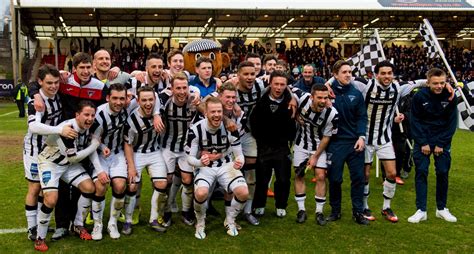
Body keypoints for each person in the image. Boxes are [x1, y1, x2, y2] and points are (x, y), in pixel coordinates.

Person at [29, 52, 108, 241]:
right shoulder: (64, 82)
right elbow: (38, 83)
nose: (86, 71)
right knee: (62, 188)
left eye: (89, 67)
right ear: (74, 69)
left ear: (94, 67)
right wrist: (34, 95)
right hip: (63, 137)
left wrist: (99, 141)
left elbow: (108, 105)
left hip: (85, 140)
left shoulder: (99, 86)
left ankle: (77, 222)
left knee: (84, 185)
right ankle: (62, 225)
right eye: (82, 67)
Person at [34, 101, 102, 251]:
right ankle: (40, 237)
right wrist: (94, 146)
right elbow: (74, 158)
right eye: (86, 114)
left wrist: (100, 148)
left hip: (67, 164)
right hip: (50, 163)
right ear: (77, 115)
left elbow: (80, 155)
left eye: (92, 115)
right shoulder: (68, 129)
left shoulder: (89, 127)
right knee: (51, 200)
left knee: (89, 188)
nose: (90, 118)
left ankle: (77, 225)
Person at [23, 64, 77, 241]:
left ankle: (39, 224)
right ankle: (31, 227)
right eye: (48, 83)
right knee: (35, 187)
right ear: (40, 82)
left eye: (56, 82)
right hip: (34, 149)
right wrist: (58, 130)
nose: (53, 86)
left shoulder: (58, 97)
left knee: (45, 189)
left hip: (51, 149)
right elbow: (33, 126)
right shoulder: (35, 102)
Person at [186, 97, 248, 239]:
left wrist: (239, 162)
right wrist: (201, 162)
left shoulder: (231, 128)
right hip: (205, 167)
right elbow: (189, 158)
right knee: (201, 193)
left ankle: (230, 219)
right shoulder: (195, 129)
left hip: (226, 165)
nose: (216, 115)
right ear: (206, 113)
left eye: (219, 111)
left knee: (243, 192)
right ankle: (200, 222)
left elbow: (239, 155)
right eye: (212, 111)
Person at [408, 68, 458, 223]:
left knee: (443, 173)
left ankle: (441, 209)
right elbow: (414, 120)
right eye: (435, 83)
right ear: (428, 82)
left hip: (442, 141)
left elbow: (452, 122)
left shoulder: (450, 96)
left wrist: (441, 143)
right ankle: (421, 210)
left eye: (442, 83)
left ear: (446, 82)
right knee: (421, 172)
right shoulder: (419, 96)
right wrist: (423, 142)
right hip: (423, 139)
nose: (439, 86)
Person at [325, 60, 369, 225]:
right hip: (335, 143)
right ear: (335, 75)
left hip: (355, 142)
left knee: (358, 178)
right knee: (335, 179)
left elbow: (362, 117)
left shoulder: (356, 93)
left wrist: (361, 136)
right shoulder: (327, 92)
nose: (348, 75)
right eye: (344, 72)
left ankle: (358, 212)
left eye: (350, 72)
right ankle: (335, 211)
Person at [87, 83, 132, 240]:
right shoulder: (98, 115)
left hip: (117, 153)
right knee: (100, 186)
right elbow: (93, 141)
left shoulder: (126, 109)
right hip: (99, 155)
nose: (118, 102)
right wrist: (99, 168)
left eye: (122, 98)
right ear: (107, 98)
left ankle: (112, 222)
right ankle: (97, 224)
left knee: (120, 185)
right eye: (114, 98)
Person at [250, 70, 297, 218]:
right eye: (276, 84)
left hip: (282, 146)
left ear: (286, 86)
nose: (278, 87)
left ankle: (281, 205)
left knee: (283, 178)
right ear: (270, 84)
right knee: (262, 178)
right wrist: (259, 138)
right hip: (263, 146)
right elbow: (253, 121)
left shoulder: (291, 101)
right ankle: (259, 204)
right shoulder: (260, 99)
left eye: (282, 84)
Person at [122, 86, 168, 234]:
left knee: (162, 183)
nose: (148, 103)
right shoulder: (132, 120)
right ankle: (128, 220)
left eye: (151, 100)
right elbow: (128, 144)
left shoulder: (159, 114)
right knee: (132, 186)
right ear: (138, 101)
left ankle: (154, 219)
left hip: (154, 151)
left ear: (155, 100)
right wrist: (131, 166)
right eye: (144, 100)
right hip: (137, 153)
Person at [292, 84, 338, 225]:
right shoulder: (303, 98)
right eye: (319, 97)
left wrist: (315, 156)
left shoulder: (332, 114)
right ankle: (301, 210)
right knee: (299, 175)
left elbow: (326, 137)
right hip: (301, 144)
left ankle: (319, 212)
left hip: (319, 146)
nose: (323, 101)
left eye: (326, 98)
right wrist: (294, 107)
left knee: (320, 176)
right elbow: (289, 88)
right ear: (311, 97)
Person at [158, 72, 198, 226]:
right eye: (178, 88)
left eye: (184, 88)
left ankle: (186, 212)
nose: (182, 92)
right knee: (166, 181)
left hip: (185, 148)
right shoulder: (165, 102)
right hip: (167, 146)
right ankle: (166, 212)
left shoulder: (193, 102)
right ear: (172, 89)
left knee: (188, 180)